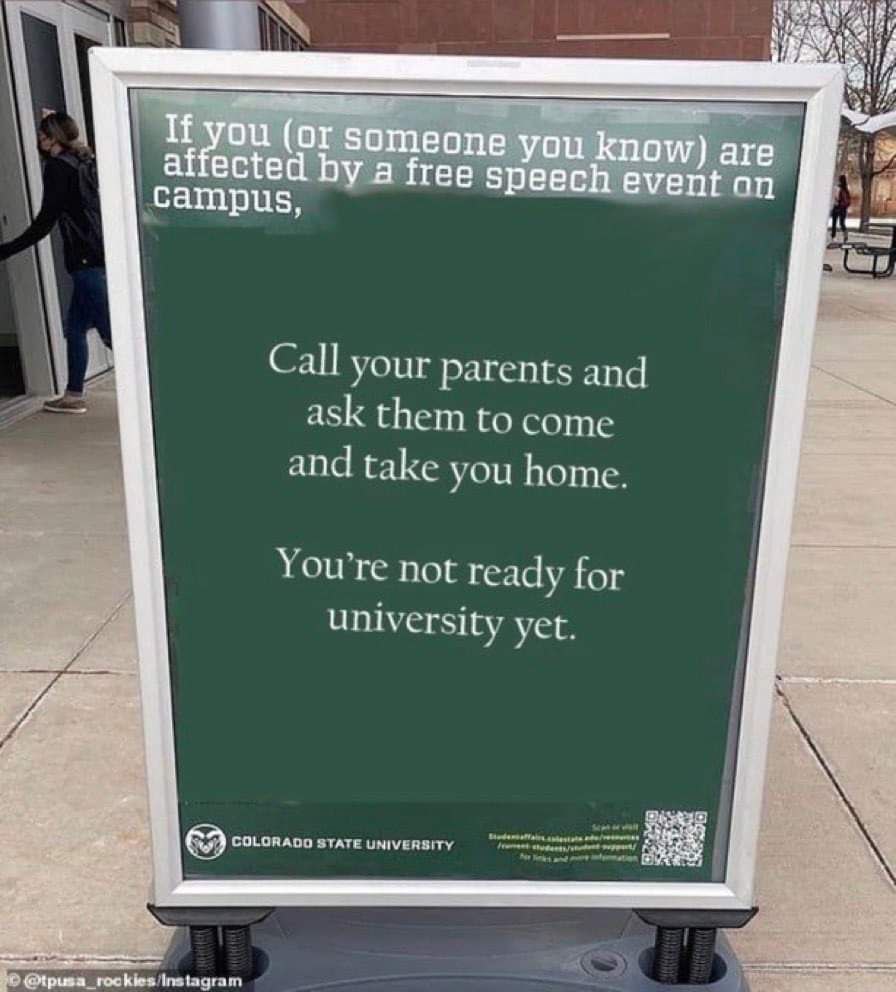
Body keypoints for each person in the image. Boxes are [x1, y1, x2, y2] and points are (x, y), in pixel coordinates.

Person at [0, 111, 111, 414]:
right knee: (75, 327)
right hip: (98, 253)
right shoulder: (84, 161)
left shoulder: (58, 168)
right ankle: (73, 396)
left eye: (42, 135)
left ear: (54, 139)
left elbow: (45, 221)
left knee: (111, 333)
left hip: (86, 258)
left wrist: (7, 249)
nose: (39, 141)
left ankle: (158, 389)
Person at [830, 174, 851, 242]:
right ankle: (845, 234)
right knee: (842, 223)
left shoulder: (836, 188)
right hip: (844, 208)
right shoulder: (848, 187)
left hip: (837, 206)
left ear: (839, 180)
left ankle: (833, 236)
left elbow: (836, 197)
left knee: (834, 222)